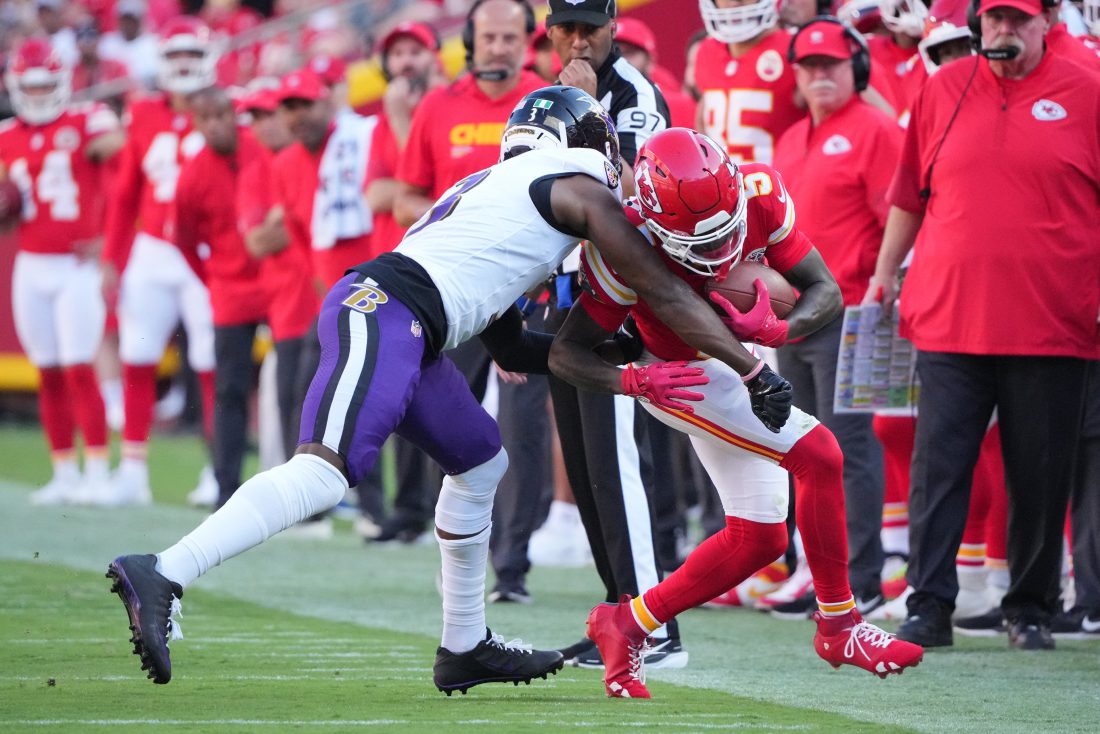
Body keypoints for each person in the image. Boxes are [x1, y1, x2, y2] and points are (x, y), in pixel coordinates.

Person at [105, 85, 795, 693]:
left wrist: (621, 356)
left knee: (480, 461)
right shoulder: (577, 177)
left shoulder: (496, 203)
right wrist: (748, 364)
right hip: (384, 310)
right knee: (325, 471)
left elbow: (521, 346)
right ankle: (164, 568)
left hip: (413, 328)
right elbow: (656, 283)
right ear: (587, 142)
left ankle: (464, 645)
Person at [550, 126, 924, 699]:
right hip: (681, 373)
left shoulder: (759, 191)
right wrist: (632, 379)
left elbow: (825, 291)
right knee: (820, 454)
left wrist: (779, 329)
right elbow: (566, 351)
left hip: (739, 359)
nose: (717, 255)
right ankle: (840, 625)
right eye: (696, 244)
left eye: (725, 233)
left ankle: (627, 624)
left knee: (761, 537)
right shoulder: (627, 240)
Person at [862, 0, 1100, 650]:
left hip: (1052, 321)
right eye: (993, 17)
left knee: (1039, 474)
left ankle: (1029, 608)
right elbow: (909, 195)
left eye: (1018, 18)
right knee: (939, 472)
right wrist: (885, 275)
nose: (1003, 30)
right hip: (948, 318)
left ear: (1048, 19)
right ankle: (929, 605)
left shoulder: (1089, 90)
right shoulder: (942, 87)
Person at [543, 0, 687, 667]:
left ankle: (655, 626)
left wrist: (588, 110)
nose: (577, 39)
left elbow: (635, 196)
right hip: (570, 293)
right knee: (588, 467)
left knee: (621, 466)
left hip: (620, 299)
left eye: (589, 27)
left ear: (612, 27)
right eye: (566, 27)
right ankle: (618, 614)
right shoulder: (548, 94)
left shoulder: (634, 95)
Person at [386, 0, 545, 545]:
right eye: (488, 37)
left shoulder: (549, 104)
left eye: (509, 37)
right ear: (470, 43)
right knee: (442, 411)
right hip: (454, 286)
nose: (498, 47)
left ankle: (517, 551)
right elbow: (404, 199)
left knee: (526, 422)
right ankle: (451, 527)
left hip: (530, 285)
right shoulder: (438, 104)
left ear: (527, 41)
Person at [770, 16, 903, 617]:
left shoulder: (876, 130)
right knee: (801, 444)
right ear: (797, 75)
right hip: (794, 314)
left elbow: (897, 223)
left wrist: (887, 293)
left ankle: (865, 576)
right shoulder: (792, 138)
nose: (820, 75)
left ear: (856, 68)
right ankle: (811, 569)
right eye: (810, 66)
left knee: (848, 445)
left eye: (831, 64)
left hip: (852, 310)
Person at [100, 16, 219, 504]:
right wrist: (113, 256)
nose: (184, 64)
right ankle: (131, 470)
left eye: (192, 54)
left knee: (210, 360)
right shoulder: (144, 112)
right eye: (175, 56)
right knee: (137, 356)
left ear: (208, 58)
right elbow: (126, 192)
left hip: (206, 249)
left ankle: (218, 468)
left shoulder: (222, 110)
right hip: (152, 247)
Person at [0, 38, 124, 505]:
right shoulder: (6, 135)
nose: (36, 95)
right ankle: (64, 473)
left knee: (78, 368)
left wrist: (106, 234)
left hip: (77, 266)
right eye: (29, 87)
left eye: (45, 86)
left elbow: (122, 157)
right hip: (32, 264)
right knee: (48, 372)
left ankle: (96, 469)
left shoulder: (86, 119)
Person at [172, 87, 269, 508]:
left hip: (277, 281)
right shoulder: (193, 175)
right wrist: (213, 278)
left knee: (298, 383)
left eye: (220, 116)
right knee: (230, 388)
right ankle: (225, 486)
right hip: (230, 290)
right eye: (205, 118)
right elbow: (185, 241)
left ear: (234, 115)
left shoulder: (262, 148)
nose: (214, 125)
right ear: (196, 122)